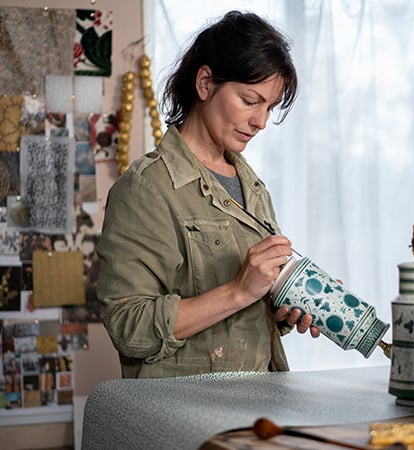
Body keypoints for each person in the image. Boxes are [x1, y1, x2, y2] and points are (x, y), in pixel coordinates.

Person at [97, 10, 318, 378]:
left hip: (257, 406)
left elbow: (240, 319)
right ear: (205, 84)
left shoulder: (254, 189)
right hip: (185, 416)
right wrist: (238, 291)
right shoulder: (147, 188)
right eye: (250, 100)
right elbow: (127, 326)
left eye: (269, 107)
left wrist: (282, 305)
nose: (261, 121)